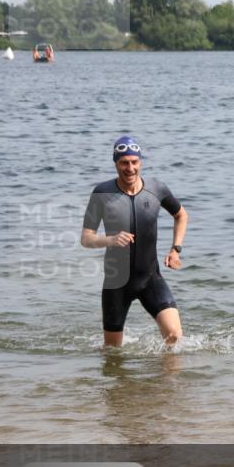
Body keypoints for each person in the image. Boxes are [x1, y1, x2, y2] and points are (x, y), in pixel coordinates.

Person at [81, 135, 188, 348]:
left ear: (140, 162)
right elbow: (86, 238)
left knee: (174, 336)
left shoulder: (157, 189)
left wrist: (176, 249)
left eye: (134, 162)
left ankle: (163, 382)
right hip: (116, 284)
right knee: (112, 353)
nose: (130, 168)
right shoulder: (102, 192)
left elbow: (181, 215)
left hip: (150, 279)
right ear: (115, 163)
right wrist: (110, 239)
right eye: (124, 162)